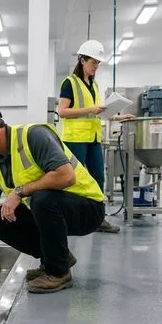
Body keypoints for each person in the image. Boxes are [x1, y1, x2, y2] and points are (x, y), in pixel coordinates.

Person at [0, 97, 106, 294]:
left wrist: (19, 192)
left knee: (42, 199)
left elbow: (66, 176)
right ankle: (57, 258)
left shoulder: (34, 136)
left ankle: (59, 272)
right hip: (53, 211)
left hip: (88, 208)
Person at [58, 39, 134, 233]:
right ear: (82, 60)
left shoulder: (94, 85)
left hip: (93, 139)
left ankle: (98, 219)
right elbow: (63, 112)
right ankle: (69, 218)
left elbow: (98, 112)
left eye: (98, 64)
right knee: (72, 180)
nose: (96, 67)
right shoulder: (70, 83)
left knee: (98, 177)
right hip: (74, 139)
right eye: (93, 63)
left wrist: (119, 116)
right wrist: (90, 109)